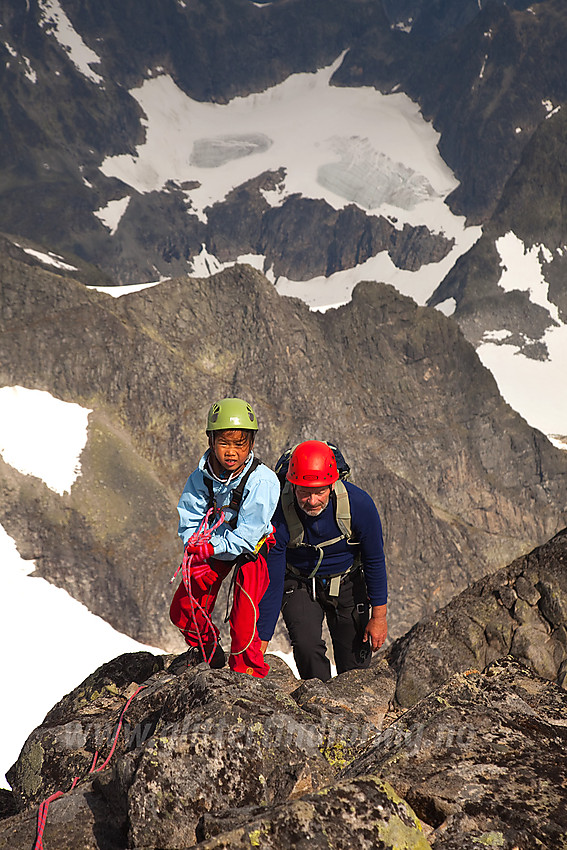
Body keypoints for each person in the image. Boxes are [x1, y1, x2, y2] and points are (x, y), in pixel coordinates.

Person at [258, 440, 387, 681]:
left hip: (348, 582)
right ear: (292, 485)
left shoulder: (359, 505)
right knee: (307, 649)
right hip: (299, 582)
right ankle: (318, 705)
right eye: (304, 492)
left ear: (332, 483)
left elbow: (375, 560)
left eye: (320, 491)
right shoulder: (279, 512)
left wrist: (379, 617)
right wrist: (262, 640)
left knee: (355, 668)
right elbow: (272, 581)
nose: (313, 500)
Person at [170, 397, 280, 678]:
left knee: (244, 622)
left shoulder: (263, 481)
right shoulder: (202, 477)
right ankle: (209, 652)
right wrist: (194, 545)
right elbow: (190, 517)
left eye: (239, 444)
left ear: (251, 444)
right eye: (224, 443)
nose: (231, 452)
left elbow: (246, 536)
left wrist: (209, 547)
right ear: (211, 441)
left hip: (250, 549)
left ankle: (248, 675)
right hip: (213, 545)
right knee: (184, 608)